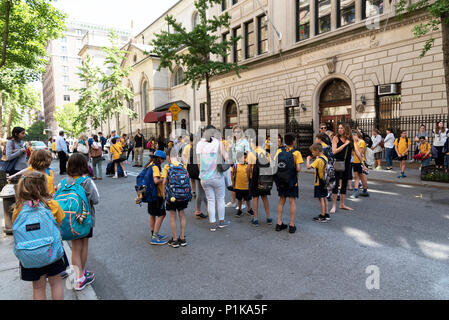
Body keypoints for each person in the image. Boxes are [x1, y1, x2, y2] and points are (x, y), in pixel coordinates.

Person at [12, 171, 68, 300]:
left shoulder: (18, 208)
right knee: (56, 283)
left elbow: (16, 227)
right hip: (51, 251)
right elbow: (60, 221)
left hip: (29, 255)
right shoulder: (51, 204)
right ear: (43, 186)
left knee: (38, 287)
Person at [61, 153, 99, 291]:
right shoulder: (87, 181)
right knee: (84, 246)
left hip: (70, 221)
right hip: (85, 219)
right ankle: (81, 276)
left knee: (75, 249)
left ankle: (78, 276)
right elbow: (96, 199)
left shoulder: (65, 181)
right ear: (84, 165)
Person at [197, 125, 230, 232]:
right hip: (217, 176)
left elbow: (198, 163)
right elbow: (227, 157)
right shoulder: (218, 142)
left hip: (204, 178)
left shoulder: (199, 144)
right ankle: (221, 222)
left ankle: (212, 224)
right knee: (220, 199)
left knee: (210, 200)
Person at [330, 124, 366, 214]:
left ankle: (342, 204)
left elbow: (357, 151)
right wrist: (344, 145)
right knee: (336, 184)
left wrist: (362, 162)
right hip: (338, 162)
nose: (339, 130)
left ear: (346, 129)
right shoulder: (336, 138)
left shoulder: (350, 139)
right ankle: (334, 206)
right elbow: (334, 151)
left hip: (347, 164)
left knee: (344, 184)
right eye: (338, 128)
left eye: (341, 128)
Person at [273, 133, 303, 233]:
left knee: (281, 200)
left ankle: (279, 223)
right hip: (291, 180)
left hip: (281, 180)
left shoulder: (279, 150)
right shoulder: (296, 153)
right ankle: (291, 225)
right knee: (292, 201)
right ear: (294, 141)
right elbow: (298, 168)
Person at [162, 149, 191, 248]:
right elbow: (187, 178)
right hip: (183, 196)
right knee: (182, 215)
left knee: (172, 217)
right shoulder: (183, 166)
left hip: (172, 196)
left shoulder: (167, 167)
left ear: (168, 156)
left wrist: (164, 195)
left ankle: (174, 240)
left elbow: (164, 182)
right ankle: (182, 238)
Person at [146, 150, 168, 245]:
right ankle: (155, 237)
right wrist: (163, 178)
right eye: (163, 159)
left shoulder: (149, 164)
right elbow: (155, 180)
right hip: (157, 195)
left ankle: (153, 233)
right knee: (162, 214)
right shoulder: (155, 167)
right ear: (159, 158)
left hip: (150, 193)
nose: (163, 161)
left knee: (152, 214)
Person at [226, 125, 251, 209]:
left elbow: (248, 153)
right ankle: (233, 202)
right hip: (233, 164)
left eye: (238, 131)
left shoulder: (244, 142)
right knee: (233, 183)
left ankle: (242, 203)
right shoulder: (233, 141)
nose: (236, 133)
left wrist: (245, 163)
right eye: (235, 132)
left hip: (241, 165)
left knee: (241, 183)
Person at [247, 144, 272, 226]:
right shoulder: (267, 153)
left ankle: (255, 219)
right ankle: (268, 218)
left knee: (255, 197)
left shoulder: (252, 153)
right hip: (265, 178)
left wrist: (248, 178)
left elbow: (248, 167)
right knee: (265, 197)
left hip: (254, 178)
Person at [306, 143, 330, 222]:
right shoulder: (324, 158)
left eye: (312, 152)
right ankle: (327, 214)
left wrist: (308, 159)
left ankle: (322, 215)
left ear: (316, 151)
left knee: (321, 198)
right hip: (325, 180)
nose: (312, 153)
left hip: (319, 182)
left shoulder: (318, 160)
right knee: (325, 197)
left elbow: (308, 167)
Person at [232, 151, 254, 218]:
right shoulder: (236, 166)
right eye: (242, 158)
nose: (244, 160)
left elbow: (251, 175)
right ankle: (240, 209)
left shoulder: (248, 165)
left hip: (246, 186)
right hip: (238, 186)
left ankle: (249, 209)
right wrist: (233, 183)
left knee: (248, 199)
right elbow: (232, 174)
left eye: (245, 158)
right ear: (238, 159)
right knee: (239, 199)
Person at [351, 131, 369, 198]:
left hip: (361, 161)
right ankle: (356, 191)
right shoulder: (354, 143)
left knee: (361, 176)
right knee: (356, 177)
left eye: (353, 136)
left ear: (356, 135)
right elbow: (353, 153)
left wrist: (355, 143)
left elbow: (359, 153)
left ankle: (365, 190)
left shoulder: (361, 142)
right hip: (355, 162)